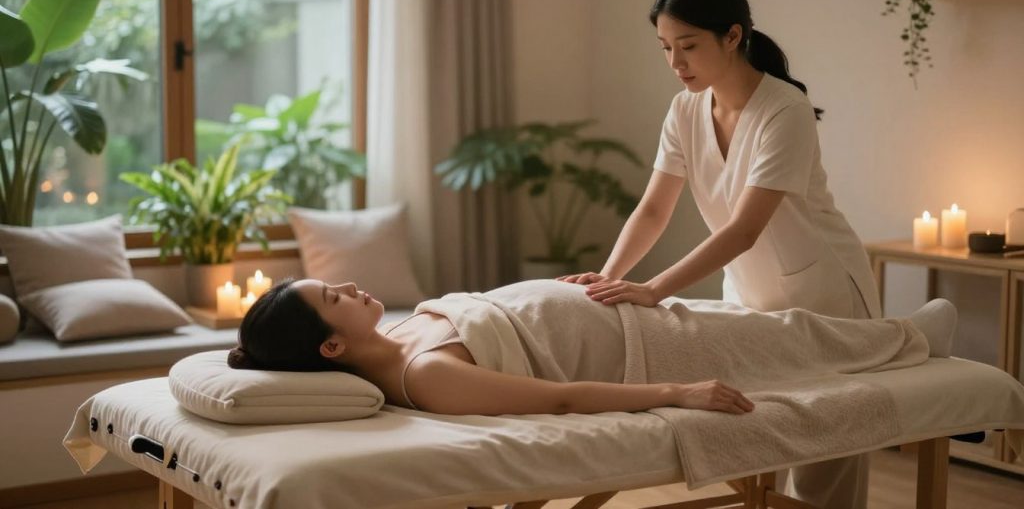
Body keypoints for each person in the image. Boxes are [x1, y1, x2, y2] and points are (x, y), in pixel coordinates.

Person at [558, 0, 883, 509]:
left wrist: (654, 288)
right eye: (665, 47)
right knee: (757, 447)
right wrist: (611, 274)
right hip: (749, 295)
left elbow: (745, 228)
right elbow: (654, 207)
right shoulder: (685, 109)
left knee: (827, 466)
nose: (675, 63)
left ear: (733, 36)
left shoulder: (785, 110)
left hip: (826, 299)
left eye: (688, 46)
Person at [228, 279, 957, 420]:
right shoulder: (428, 375)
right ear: (330, 344)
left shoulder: (402, 333)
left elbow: (506, 313)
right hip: (641, 352)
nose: (351, 286)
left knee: (776, 324)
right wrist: (679, 394)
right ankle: (916, 339)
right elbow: (562, 397)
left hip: (617, 310)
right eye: (334, 297)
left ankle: (903, 336)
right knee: (787, 340)